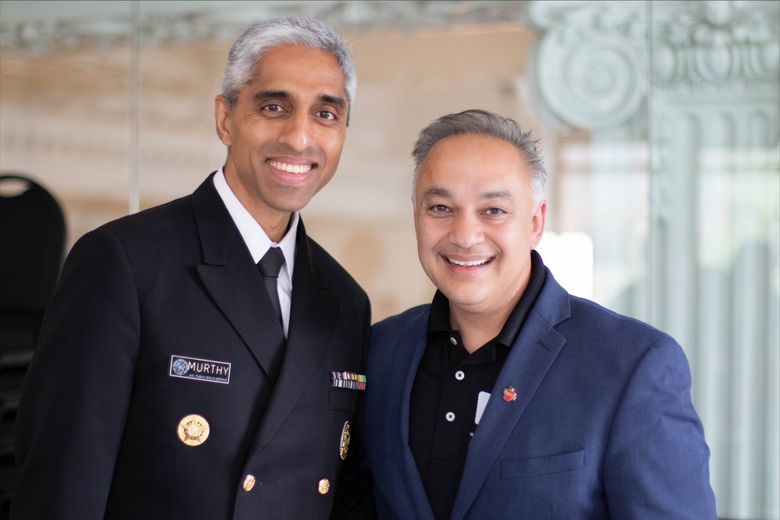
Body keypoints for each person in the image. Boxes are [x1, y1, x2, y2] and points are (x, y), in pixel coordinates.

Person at [12, 17, 372, 519]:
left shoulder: (345, 301)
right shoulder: (124, 262)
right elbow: (61, 488)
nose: (299, 137)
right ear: (225, 118)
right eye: (274, 107)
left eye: (326, 114)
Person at [359, 109, 716, 519]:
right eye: (440, 208)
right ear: (416, 216)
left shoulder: (631, 365)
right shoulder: (381, 351)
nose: (465, 236)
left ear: (535, 222)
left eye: (493, 210)